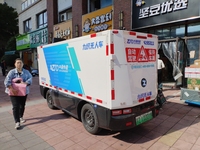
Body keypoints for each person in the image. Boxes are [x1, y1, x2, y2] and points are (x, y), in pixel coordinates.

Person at [4, 58, 32, 130]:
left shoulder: (26, 72)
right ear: (15, 64)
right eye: (18, 63)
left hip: (23, 92)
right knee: (15, 106)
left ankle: (20, 116)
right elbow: (7, 81)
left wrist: (25, 83)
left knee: (22, 105)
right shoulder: (11, 72)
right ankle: (17, 122)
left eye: (20, 63)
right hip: (13, 92)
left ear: (22, 64)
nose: (19, 64)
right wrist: (12, 89)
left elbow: (30, 79)